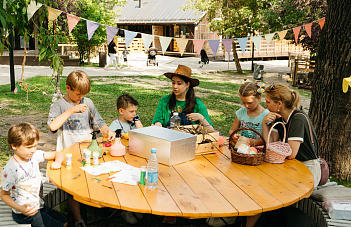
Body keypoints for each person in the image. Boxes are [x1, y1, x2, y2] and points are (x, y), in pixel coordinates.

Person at [47, 70, 115, 227]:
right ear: (68, 88)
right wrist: (71, 110)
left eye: (83, 94)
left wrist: (107, 131)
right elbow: (52, 126)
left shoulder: (88, 102)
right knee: (73, 189)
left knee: (91, 181)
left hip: (88, 152)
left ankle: (93, 211)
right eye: (78, 94)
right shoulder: (59, 105)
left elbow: (98, 122)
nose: (80, 98)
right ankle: (78, 220)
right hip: (68, 155)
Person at [207, 81, 268, 227]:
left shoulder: (265, 115)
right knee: (235, 183)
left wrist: (251, 142)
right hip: (240, 154)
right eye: (243, 102)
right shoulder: (241, 113)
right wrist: (234, 136)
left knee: (254, 190)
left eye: (249, 102)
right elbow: (231, 130)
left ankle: (248, 221)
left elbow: (267, 140)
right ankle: (233, 213)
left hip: (256, 157)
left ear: (259, 98)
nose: (246, 106)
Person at [1, 122, 67, 227]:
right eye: (29, 147)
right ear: (14, 146)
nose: (33, 150)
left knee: (64, 221)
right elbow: (4, 195)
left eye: (35, 146)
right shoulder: (10, 170)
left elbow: (58, 154)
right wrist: (20, 208)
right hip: (25, 213)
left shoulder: (34, 156)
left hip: (39, 205)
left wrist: (58, 162)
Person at [262, 82, 321, 188]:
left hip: (307, 168)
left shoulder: (298, 119)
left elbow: (291, 154)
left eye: (268, 102)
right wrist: (264, 124)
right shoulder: (279, 118)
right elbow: (270, 145)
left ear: (279, 104)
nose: (265, 105)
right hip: (292, 165)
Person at [108, 93, 143, 224]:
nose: (134, 114)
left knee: (135, 182)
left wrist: (137, 121)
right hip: (121, 159)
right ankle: (125, 210)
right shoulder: (115, 124)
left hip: (134, 158)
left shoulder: (134, 123)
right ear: (121, 111)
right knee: (125, 184)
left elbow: (142, 133)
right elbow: (110, 139)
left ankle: (135, 206)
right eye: (131, 111)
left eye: (135, 112)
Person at [152, 64, 214, 130]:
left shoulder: (197, 103)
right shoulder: (165, 100)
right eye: (173, 83)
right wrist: (157, 123)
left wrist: (200, 117)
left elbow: (211, 129)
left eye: (179, 83)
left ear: (187, 84)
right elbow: (156, 120)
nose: (175, 86)